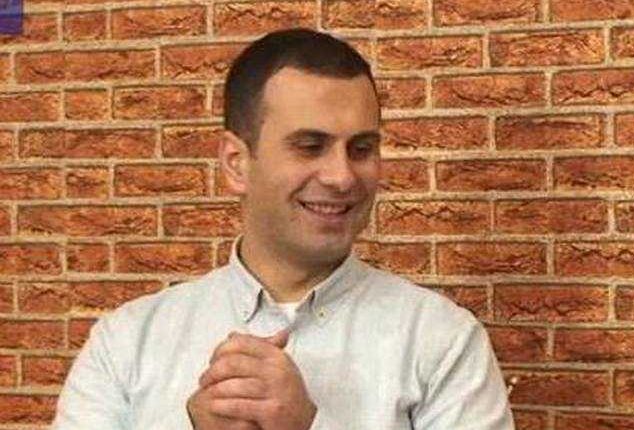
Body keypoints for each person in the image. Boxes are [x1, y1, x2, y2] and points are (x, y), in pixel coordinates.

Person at [52, 28, 515, 430]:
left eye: (361, 149)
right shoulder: (128, 342)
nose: (342, 177)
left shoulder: (441, 341)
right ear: (236, 163)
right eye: (310, 146)